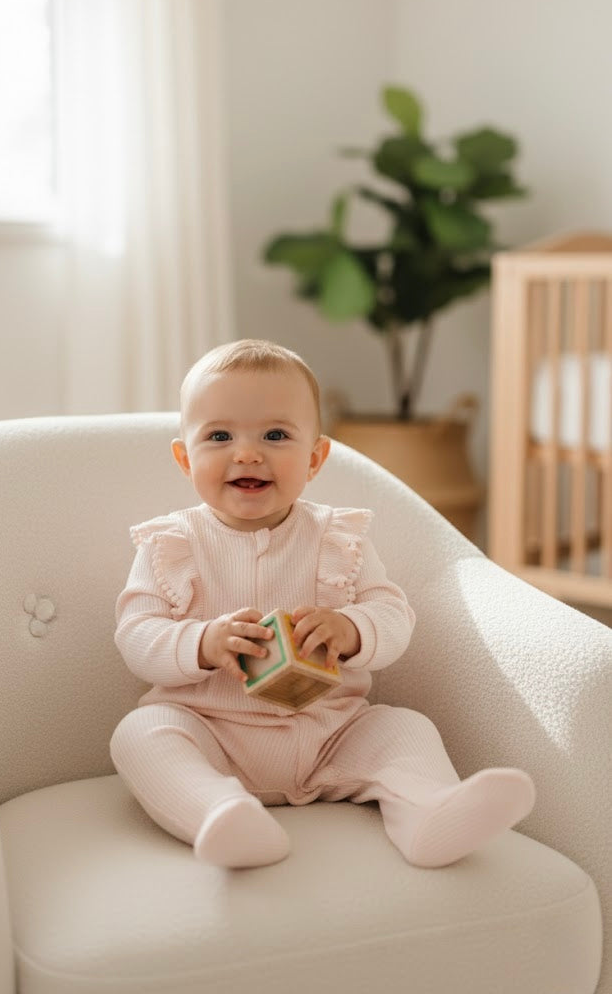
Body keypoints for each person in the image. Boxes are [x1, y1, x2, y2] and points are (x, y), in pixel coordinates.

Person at [111, 338, 535, 869]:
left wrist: (351, 629)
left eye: (275, 435)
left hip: (330, 732)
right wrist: (202, 643)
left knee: (404, 727)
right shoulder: (170, 545)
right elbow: (136, 635)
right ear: (184, 458)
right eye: (219, 436)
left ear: (314, 459)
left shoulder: (338, 538)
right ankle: (221, 815)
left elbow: (393, 615)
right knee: (140, 735)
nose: (247, 453)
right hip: (211, 730)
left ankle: (428, 814)